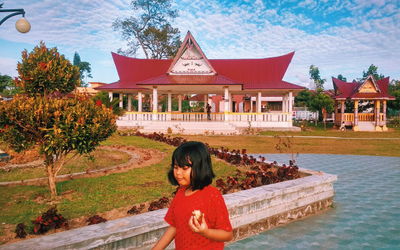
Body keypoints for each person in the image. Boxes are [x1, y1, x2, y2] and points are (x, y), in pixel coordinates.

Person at [152, 141, 233, 250]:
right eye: (176, 167)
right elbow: (175, 226)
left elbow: (227, 235)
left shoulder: (212, 196)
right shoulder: (181, 193)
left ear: (200, 168)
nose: (178, 173)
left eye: (184, 168)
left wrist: (205, 232)